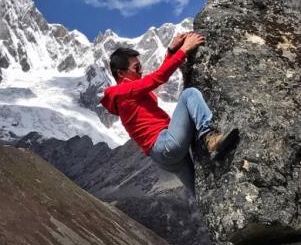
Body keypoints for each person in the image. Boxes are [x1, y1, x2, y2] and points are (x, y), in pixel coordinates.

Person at [100, 32, 239, 194]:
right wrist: (184, 49)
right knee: (189, 94)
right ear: (121, 73)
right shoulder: (122, 91)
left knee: (200, 193)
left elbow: (155, 79)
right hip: (165, 143)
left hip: (163, 157)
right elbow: (158, 77)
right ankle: (209, 137)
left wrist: (171, 51)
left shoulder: (125, 93)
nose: (141, 71)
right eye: (136, 68)